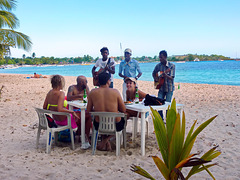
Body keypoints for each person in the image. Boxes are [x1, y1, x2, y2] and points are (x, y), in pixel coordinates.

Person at [87, 72, 126, 151]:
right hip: (115, 125)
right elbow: (123, 110)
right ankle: (106, 140)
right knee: (123, 119)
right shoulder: (115, 92)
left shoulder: (92, 92)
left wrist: (99, 110)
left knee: (100, 118)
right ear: (108, 81)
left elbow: (88, 110)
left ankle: (105, 140)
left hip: (99, 125)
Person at [67, 75, 92, 142]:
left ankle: (85, 135)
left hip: (83, 108)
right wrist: (78, 96)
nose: (86, 83)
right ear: (80, 82)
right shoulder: (72, 88)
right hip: (74, 110)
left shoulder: (85, 88)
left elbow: (89, 97)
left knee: (89, 115)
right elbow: (69, 97)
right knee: (86, 116)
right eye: (85, 82)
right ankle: (82, 135)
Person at [152, 50, 175, 119]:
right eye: (159, 57)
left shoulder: (171, 66)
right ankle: (160, 119)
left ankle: (168, 120)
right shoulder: (158, 66)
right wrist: (156, 78)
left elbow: (171, 77)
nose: (160, 59)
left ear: (165, 57)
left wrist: (166, 75)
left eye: (161, 57)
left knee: (168, 105)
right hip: (161, 87)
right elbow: (154, 73)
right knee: (159, 104)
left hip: (169, 88)